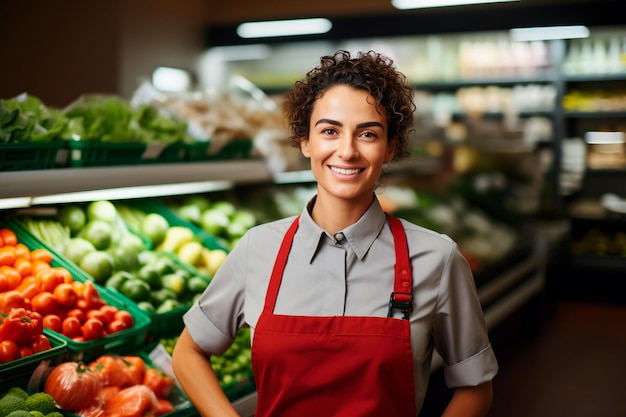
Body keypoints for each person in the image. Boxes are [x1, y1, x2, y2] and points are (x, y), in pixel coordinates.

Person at [172, 49, 498, 417]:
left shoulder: (437, 259)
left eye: (368, 134)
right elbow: (188, 353)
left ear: (390, 148)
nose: (346, 151)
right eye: (329, 131)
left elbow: (474, 388)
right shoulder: (257, 248)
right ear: (305, 142)